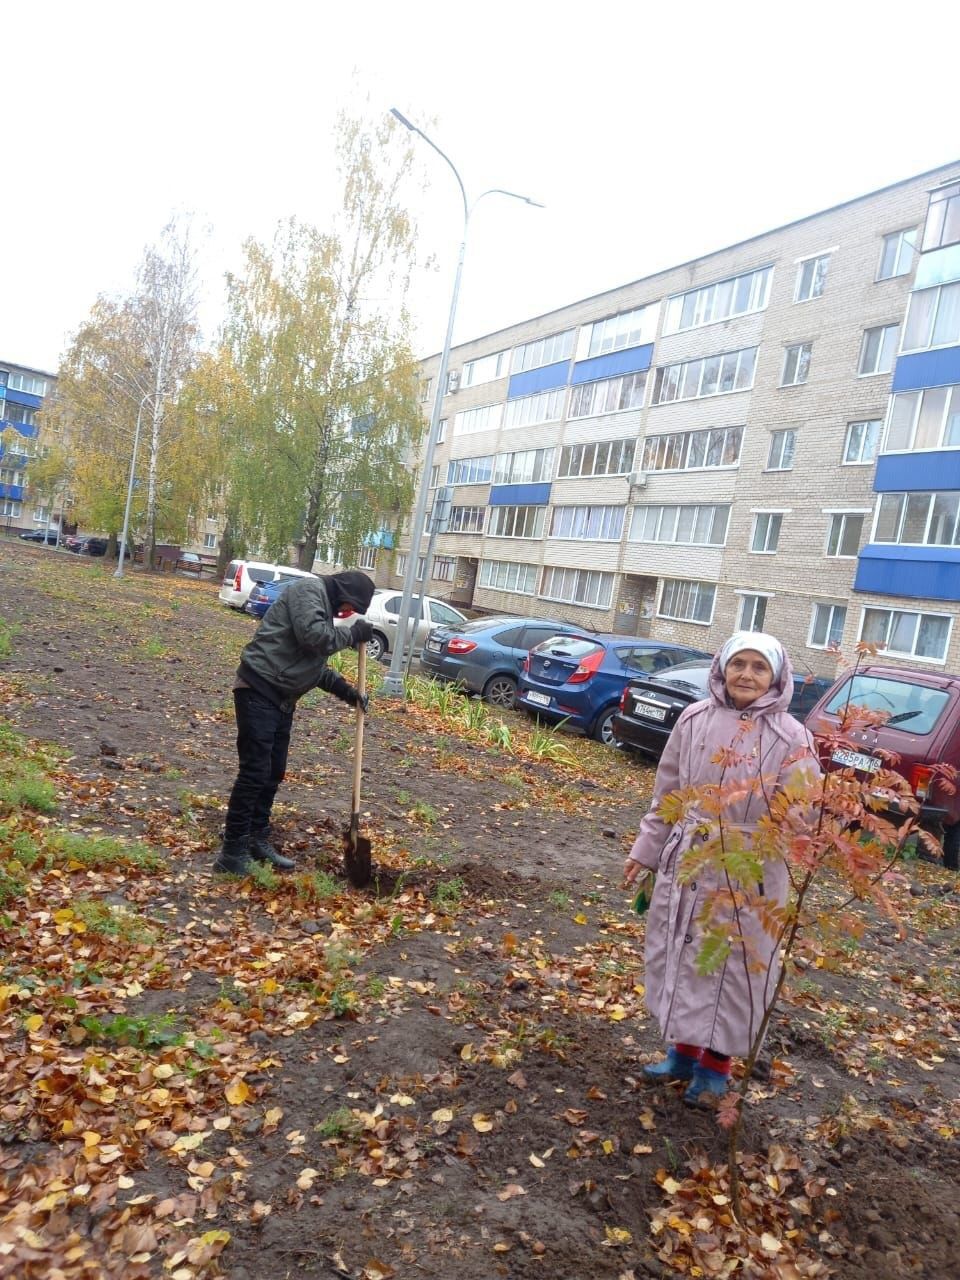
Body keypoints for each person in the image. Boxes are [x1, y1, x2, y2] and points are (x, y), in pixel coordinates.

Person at [622, 631, 819, 1105]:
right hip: (690, 856)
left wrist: (797, 823)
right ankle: (683, 1054)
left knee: (731, 967)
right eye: (739, 664)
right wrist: (644, 851)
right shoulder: (694, 718)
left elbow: (806, 812)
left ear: (775, 677)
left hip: (748, 868)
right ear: (722, 668)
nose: (747, 675)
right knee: (685, 954)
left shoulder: (791, 736)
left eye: (758, 667)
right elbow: (666, 795)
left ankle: (716, 1070)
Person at [214, 569, 376, 875]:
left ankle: (256, 838)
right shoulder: (308, 591)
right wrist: (353, 634)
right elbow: (316, 639)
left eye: (353, 612)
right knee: (254, 772)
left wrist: (348, 693)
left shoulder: (322, 608)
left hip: (280, 699)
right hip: (259, 689)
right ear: (342, 592)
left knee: (273, 772)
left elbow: (313, 667)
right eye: (351, 606)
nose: (348, 613)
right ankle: (232, 852)